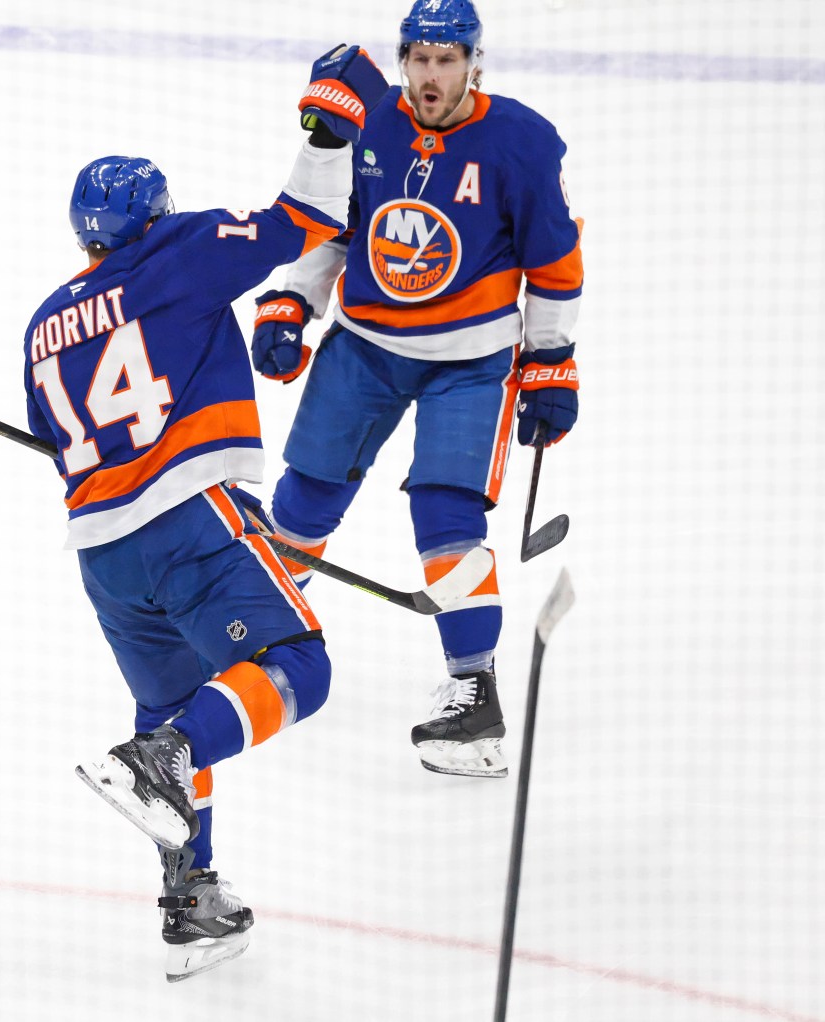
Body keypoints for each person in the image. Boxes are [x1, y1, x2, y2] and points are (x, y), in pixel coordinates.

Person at [22, 46, 387, 981]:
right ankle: (170, 758)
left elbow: (59, 442)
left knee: (169, 705)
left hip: (102, 557)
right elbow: (304, 220)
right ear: (154, 214)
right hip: (192, 518)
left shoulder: (42, 325)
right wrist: (325, 133)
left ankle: (190, 898)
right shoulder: (179, 251)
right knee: (297, 665)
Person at [250, 0, 583, 779]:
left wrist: (551, 361)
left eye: (448, 59)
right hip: (365, 347)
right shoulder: (367, 122)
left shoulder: (520, 143)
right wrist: (295, 301)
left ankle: (473, 694)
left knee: (445, 511)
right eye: (420, 59)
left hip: (470, 359)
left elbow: (554, 265)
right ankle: (257, 639)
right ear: (403, 60)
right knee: (303, 499)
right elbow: (330, 225)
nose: (432, 75)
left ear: (474, 62)